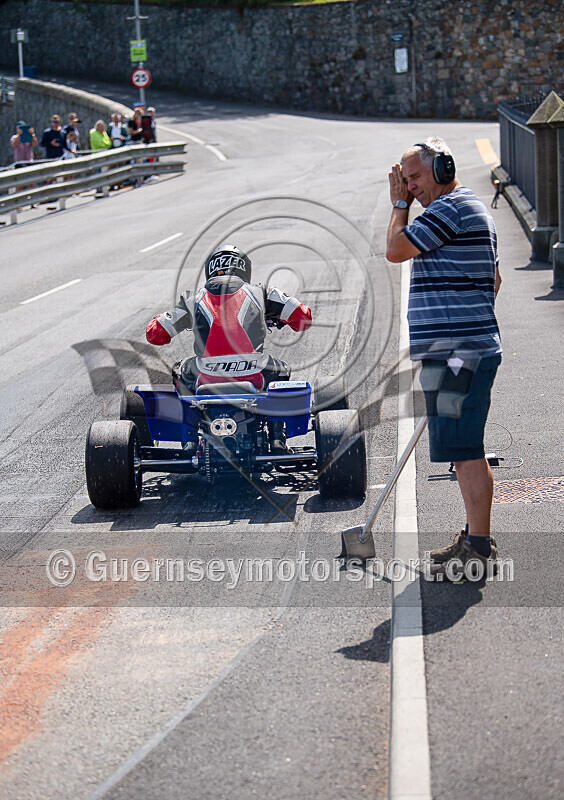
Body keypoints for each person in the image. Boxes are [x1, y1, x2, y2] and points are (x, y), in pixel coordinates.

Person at [386, 137, 503, 575]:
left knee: (467, 451)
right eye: (406, 179)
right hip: (458, 349)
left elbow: (395, 249)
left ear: (443, 168)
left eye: (415, 176)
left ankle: (478, 549)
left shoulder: (448, 210)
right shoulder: (463, 210)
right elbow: (494, 280)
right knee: (462, 450)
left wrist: (398, 205)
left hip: (458, 354)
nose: (411, 186)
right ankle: (475, 540)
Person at [145, 244, 312, 452]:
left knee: (179, 369)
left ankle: (189, 439)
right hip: (255, 375)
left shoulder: (193, 299)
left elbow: (155, 334)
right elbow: (304, 317)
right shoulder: (263, 293)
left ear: (211, 269)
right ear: (243, 268)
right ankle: (277, 437)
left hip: (204, 377)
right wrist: (280, 318)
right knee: (282, 369)